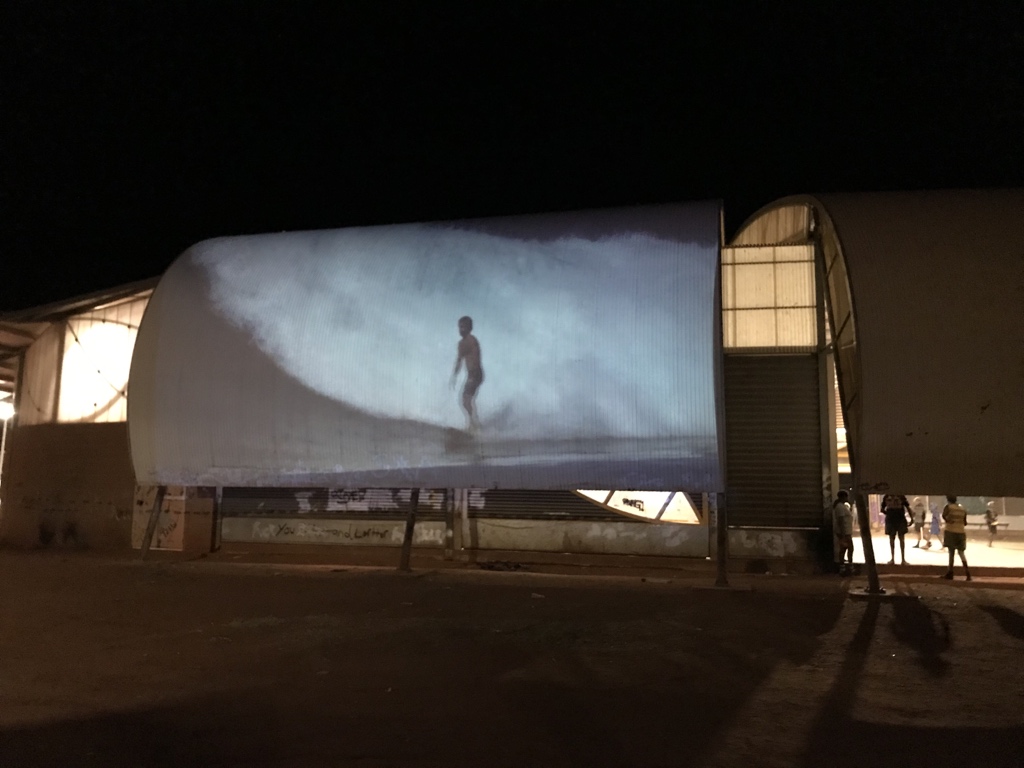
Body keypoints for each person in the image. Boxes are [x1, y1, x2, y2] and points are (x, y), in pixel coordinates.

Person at [450, 315, 484, 432]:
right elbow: (459, 360)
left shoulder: (472, 341)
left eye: (463, 327)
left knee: (466, 400)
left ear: (470, 328)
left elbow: (476, 359)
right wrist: (454, 375)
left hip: (476, 374)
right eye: (460, 327)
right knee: (466, 400)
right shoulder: (461, 344)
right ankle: (474, 424)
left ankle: (474, 425)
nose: (461, 330)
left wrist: (473, 376)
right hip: (472, 375)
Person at [942, 495, 971, 580]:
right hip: (961, 532)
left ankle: (950, 573)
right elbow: (965, 522)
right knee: (961, 553)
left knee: (951, 553)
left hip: (951, 531)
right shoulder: (962, 508)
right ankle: (968, 573)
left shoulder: (948, 507)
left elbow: (945, 517)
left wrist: (950, 521)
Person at [881, 493, 913, 565]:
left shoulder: (887, 496)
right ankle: (902, 559)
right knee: (901, 539)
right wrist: (911, 518)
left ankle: (893, 559)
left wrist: (889, 513)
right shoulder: (901, 495)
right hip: (900, 519)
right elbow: (907, 507)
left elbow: (882, 509)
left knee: (892, 539)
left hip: (891, 520)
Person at [833, 490, 855, 575]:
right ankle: (847, 567)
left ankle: (846, 567)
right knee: (847, 549)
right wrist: (843, 535)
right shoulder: (840, 507)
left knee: (846, 549)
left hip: (846, 531)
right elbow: (841, 521)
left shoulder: (842, 506)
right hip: (844, 532)